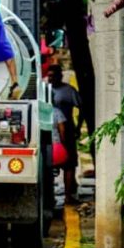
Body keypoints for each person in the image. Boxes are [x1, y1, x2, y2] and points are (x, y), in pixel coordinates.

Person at [47, 65, 82, 205]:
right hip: (49, 134)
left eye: (53, 75)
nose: (51, 78)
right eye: (49, 76)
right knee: (48, 166)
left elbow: (82, 108)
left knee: (69, 164)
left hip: (66, 132)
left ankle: (68, 195)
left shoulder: (69, 91)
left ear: (60, 76)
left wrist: (78, 127)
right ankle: (50, 197)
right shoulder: (44, 90)